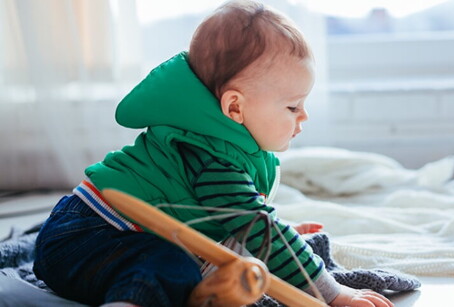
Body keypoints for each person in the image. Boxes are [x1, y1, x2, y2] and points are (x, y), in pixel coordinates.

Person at [33, 1, 394, 306]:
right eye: (292, 107)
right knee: (172, 267)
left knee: (188, 260)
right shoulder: (212, 157)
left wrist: (259, 235)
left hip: (97, 236)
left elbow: (233, 219)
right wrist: (333, 294)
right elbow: (259, 228)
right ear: (235, 107)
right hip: (87, 238)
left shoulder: (221, 140)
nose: (304, 116)